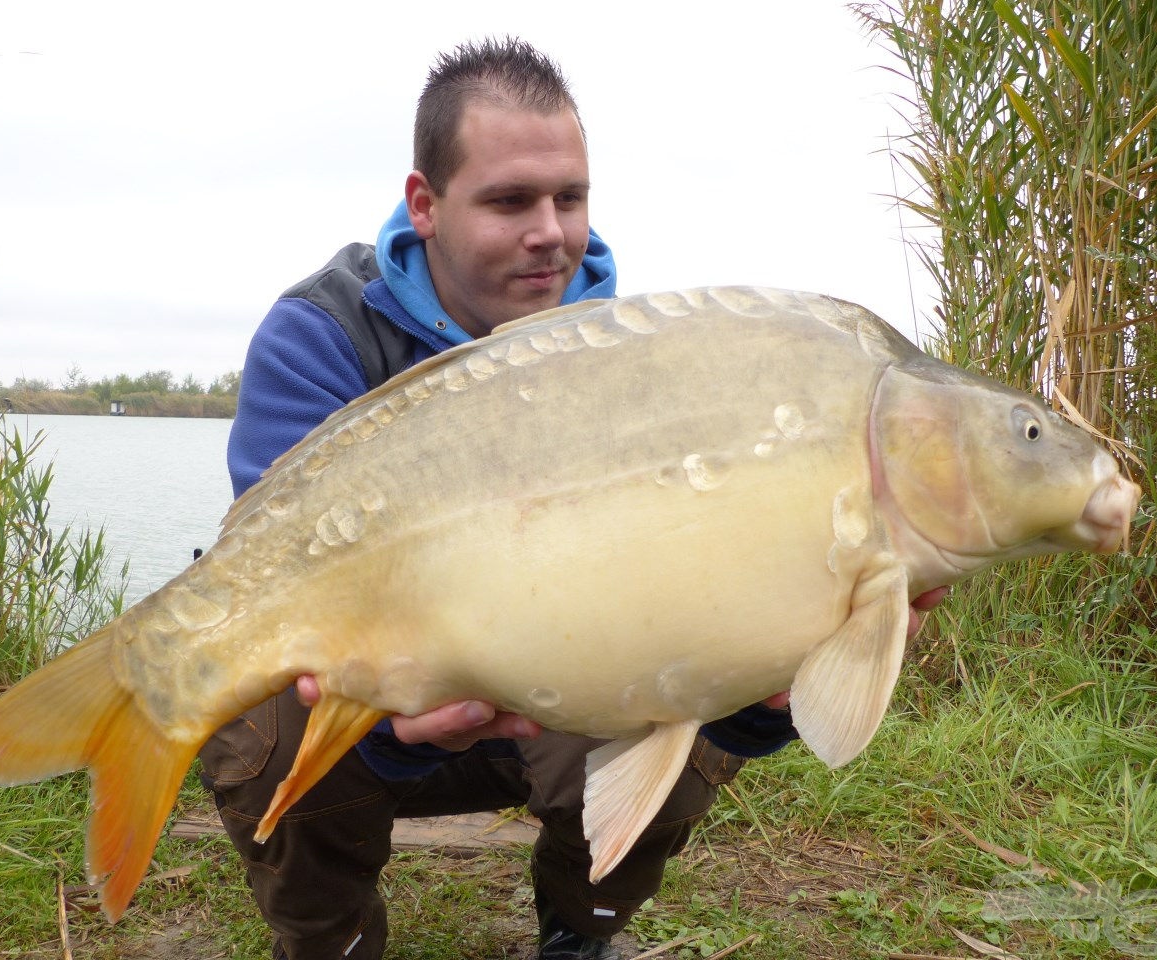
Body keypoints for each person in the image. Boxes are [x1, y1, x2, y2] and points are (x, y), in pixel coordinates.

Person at [200, 37, 946, 960]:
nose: (552, 231)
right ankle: (328, 937)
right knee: (255, 704)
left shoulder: (643, 358)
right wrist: (393, 723)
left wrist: (765, 688)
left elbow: (698, 604)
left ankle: (578, 928)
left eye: (571, 198)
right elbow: (271, 574)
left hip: (561, 691)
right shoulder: (321, 337)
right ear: (425, 205)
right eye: (511, 200)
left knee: (680, 709)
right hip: (369, 700)